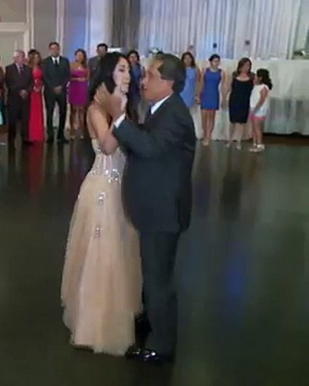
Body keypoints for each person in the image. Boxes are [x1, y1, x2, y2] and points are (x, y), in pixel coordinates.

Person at [96, 52, 196, 363]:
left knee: (158, 279)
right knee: (153, 273)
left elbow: (150, 147)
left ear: (168, 82)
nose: (143, 79)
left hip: (163, 211)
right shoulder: (160, 109)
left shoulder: (175, 114)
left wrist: (119, 117)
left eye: (150, 75)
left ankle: (162, 345)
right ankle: (152, 320)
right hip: (155, 208)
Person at [61, 52, 141, 356]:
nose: (128, 75)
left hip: (122, 184)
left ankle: (121, 306)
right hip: (104, 186)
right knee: (102, 249)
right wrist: (118, 114)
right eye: (122, 70)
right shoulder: (97, 107)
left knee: (121, 247)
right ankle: (94, 320)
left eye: (129, 70)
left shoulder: (121, 104)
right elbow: (108, 146)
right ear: (109, 72)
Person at [41, 42, 71, 144]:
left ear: (59, 49)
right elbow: (44, 77)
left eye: (56, 49)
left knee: (63, 112)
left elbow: (67, 76)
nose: (54, 50)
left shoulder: (65, 61)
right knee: (49, 113)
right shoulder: (45, 62)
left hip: (62, 91)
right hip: (50, 91)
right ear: (50, 50)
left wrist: (61, 86)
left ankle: (60, 135)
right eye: (52, 49)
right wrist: (53, 87)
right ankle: (50, 135)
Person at [4, 50, 33, 147]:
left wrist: (26, 91)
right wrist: (19, 91)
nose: (22, 58)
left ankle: (25, 138)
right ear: (15, 58)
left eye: (23, 56)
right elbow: (9, 83)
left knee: (25, 119)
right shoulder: (9, 69)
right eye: (20, 56)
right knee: (12, 120)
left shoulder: (29, 69)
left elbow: (31, 83)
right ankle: (11, 139)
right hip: (14, 98)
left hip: (25, 99)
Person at [226, 57, 254, 150]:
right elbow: (229, 87)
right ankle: (230, 139)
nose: (247, 68)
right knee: (232, 121)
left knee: (241, 122)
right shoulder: (234, 75)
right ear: (240, 66)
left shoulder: (252, 77)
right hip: (234, 99)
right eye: (245, 65)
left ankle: (238, 141)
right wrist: (224, 98)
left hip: (245, 101)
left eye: (248, 66)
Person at [199, 54, 225, 146]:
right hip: (205, 94)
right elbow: (201, 83)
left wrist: (224, 98)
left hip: (214, 94)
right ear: (210, 61)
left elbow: (223, 86)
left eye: (218, 61)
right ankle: (204, 133)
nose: (216, 63)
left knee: (211, 117)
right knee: (204, 117)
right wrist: (198, 95)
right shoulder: (205, 71)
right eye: (214, 61)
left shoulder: (221, 72)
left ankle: (208, 136)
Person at [249, 68, 272, 153]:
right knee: (254, 128)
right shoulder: (257, 86)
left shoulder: (264, 87)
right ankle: (255, 144)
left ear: (260, 77)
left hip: (259, 109)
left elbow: (262, 99)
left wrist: (256, 109)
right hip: (254, 108)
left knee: (257, 128)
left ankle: (259, 144)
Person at [68, 49, 90, 139]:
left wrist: (84, 80)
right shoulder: (71, 65)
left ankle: (81, 131)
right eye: (78, 55)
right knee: (73, 110)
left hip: (83, 88)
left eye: (81, 55)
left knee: (82, 110)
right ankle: (72, 130)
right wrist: (76, 79)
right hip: (74, 87)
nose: (79, 57)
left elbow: (88, 77)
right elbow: (68, 77)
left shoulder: (86, 66)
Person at [27, 50, 45, 144]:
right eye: (35, 57)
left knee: (38, 112)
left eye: (38, 57)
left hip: (38, 92)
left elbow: (43, 79)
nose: (36, 59)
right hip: (31, 92)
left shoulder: (41, 67)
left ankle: (38, 135)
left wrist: (40, 86)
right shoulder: (28, 67)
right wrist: (32, 87)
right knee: (31, 113)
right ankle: (31, 135)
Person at [127, 50, 144, 121]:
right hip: (127, 91)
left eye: (135, 57)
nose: (133, 59)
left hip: (137, 91)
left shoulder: (140, 68)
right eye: (131, 57)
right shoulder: (126, 67)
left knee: (135, 109)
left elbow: (143, 78)